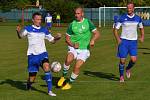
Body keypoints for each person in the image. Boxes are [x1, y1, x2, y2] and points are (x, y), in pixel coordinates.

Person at [16, 12, 61, 96]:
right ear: (33, 20)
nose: (39, 21)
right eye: (37, 19)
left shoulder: (44, 30)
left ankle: (50, 91)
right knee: (32, 79)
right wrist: (18, 31)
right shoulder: (28, 28)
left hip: (42, 54)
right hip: (32, 56)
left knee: (47, 67)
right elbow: (20, 36)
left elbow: (52, 41)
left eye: (40, 19)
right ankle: (28, 84)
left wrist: (57, 38)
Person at [57, 7, 100, 90]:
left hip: (84, 50)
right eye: (75, 13)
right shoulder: (72, 24)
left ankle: (69, 83)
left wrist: (93, 40)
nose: (76, 15)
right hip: (73, 48)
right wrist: (73, 44)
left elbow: (97, 33)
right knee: (68, 59)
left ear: (82, 14)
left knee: (77, 67)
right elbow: (67, 38)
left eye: (78, 13)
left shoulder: (88, 22)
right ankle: (63, 77)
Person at [114, 2, 144, 82]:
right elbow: (115, 30)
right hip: (123, 41)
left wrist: (142, 36)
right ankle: (121, 76)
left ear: (133, 9)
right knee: (122, 60)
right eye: (128, 8)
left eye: (130, 8)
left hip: (133, 42)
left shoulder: (138, 18)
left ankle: (128, 69)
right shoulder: (122, 18)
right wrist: (118, 39)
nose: (129, 9)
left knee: (134, 60)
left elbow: (141, 28)